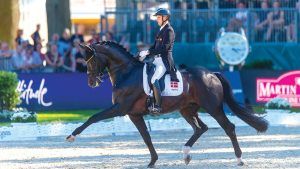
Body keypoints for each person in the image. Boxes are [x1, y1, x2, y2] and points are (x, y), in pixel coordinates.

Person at [138, 8, 178, 115]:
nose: (157, 19)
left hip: (164, 61)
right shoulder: (161, 30)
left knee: (154, 78)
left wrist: (147, 52)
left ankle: (158, 106)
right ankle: (150, 98)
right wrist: (146, 53)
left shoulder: (169, 30)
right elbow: (155, 46)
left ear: (165, 18)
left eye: (159, 17)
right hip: (156, 60)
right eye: (157, 17)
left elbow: (164, 49)